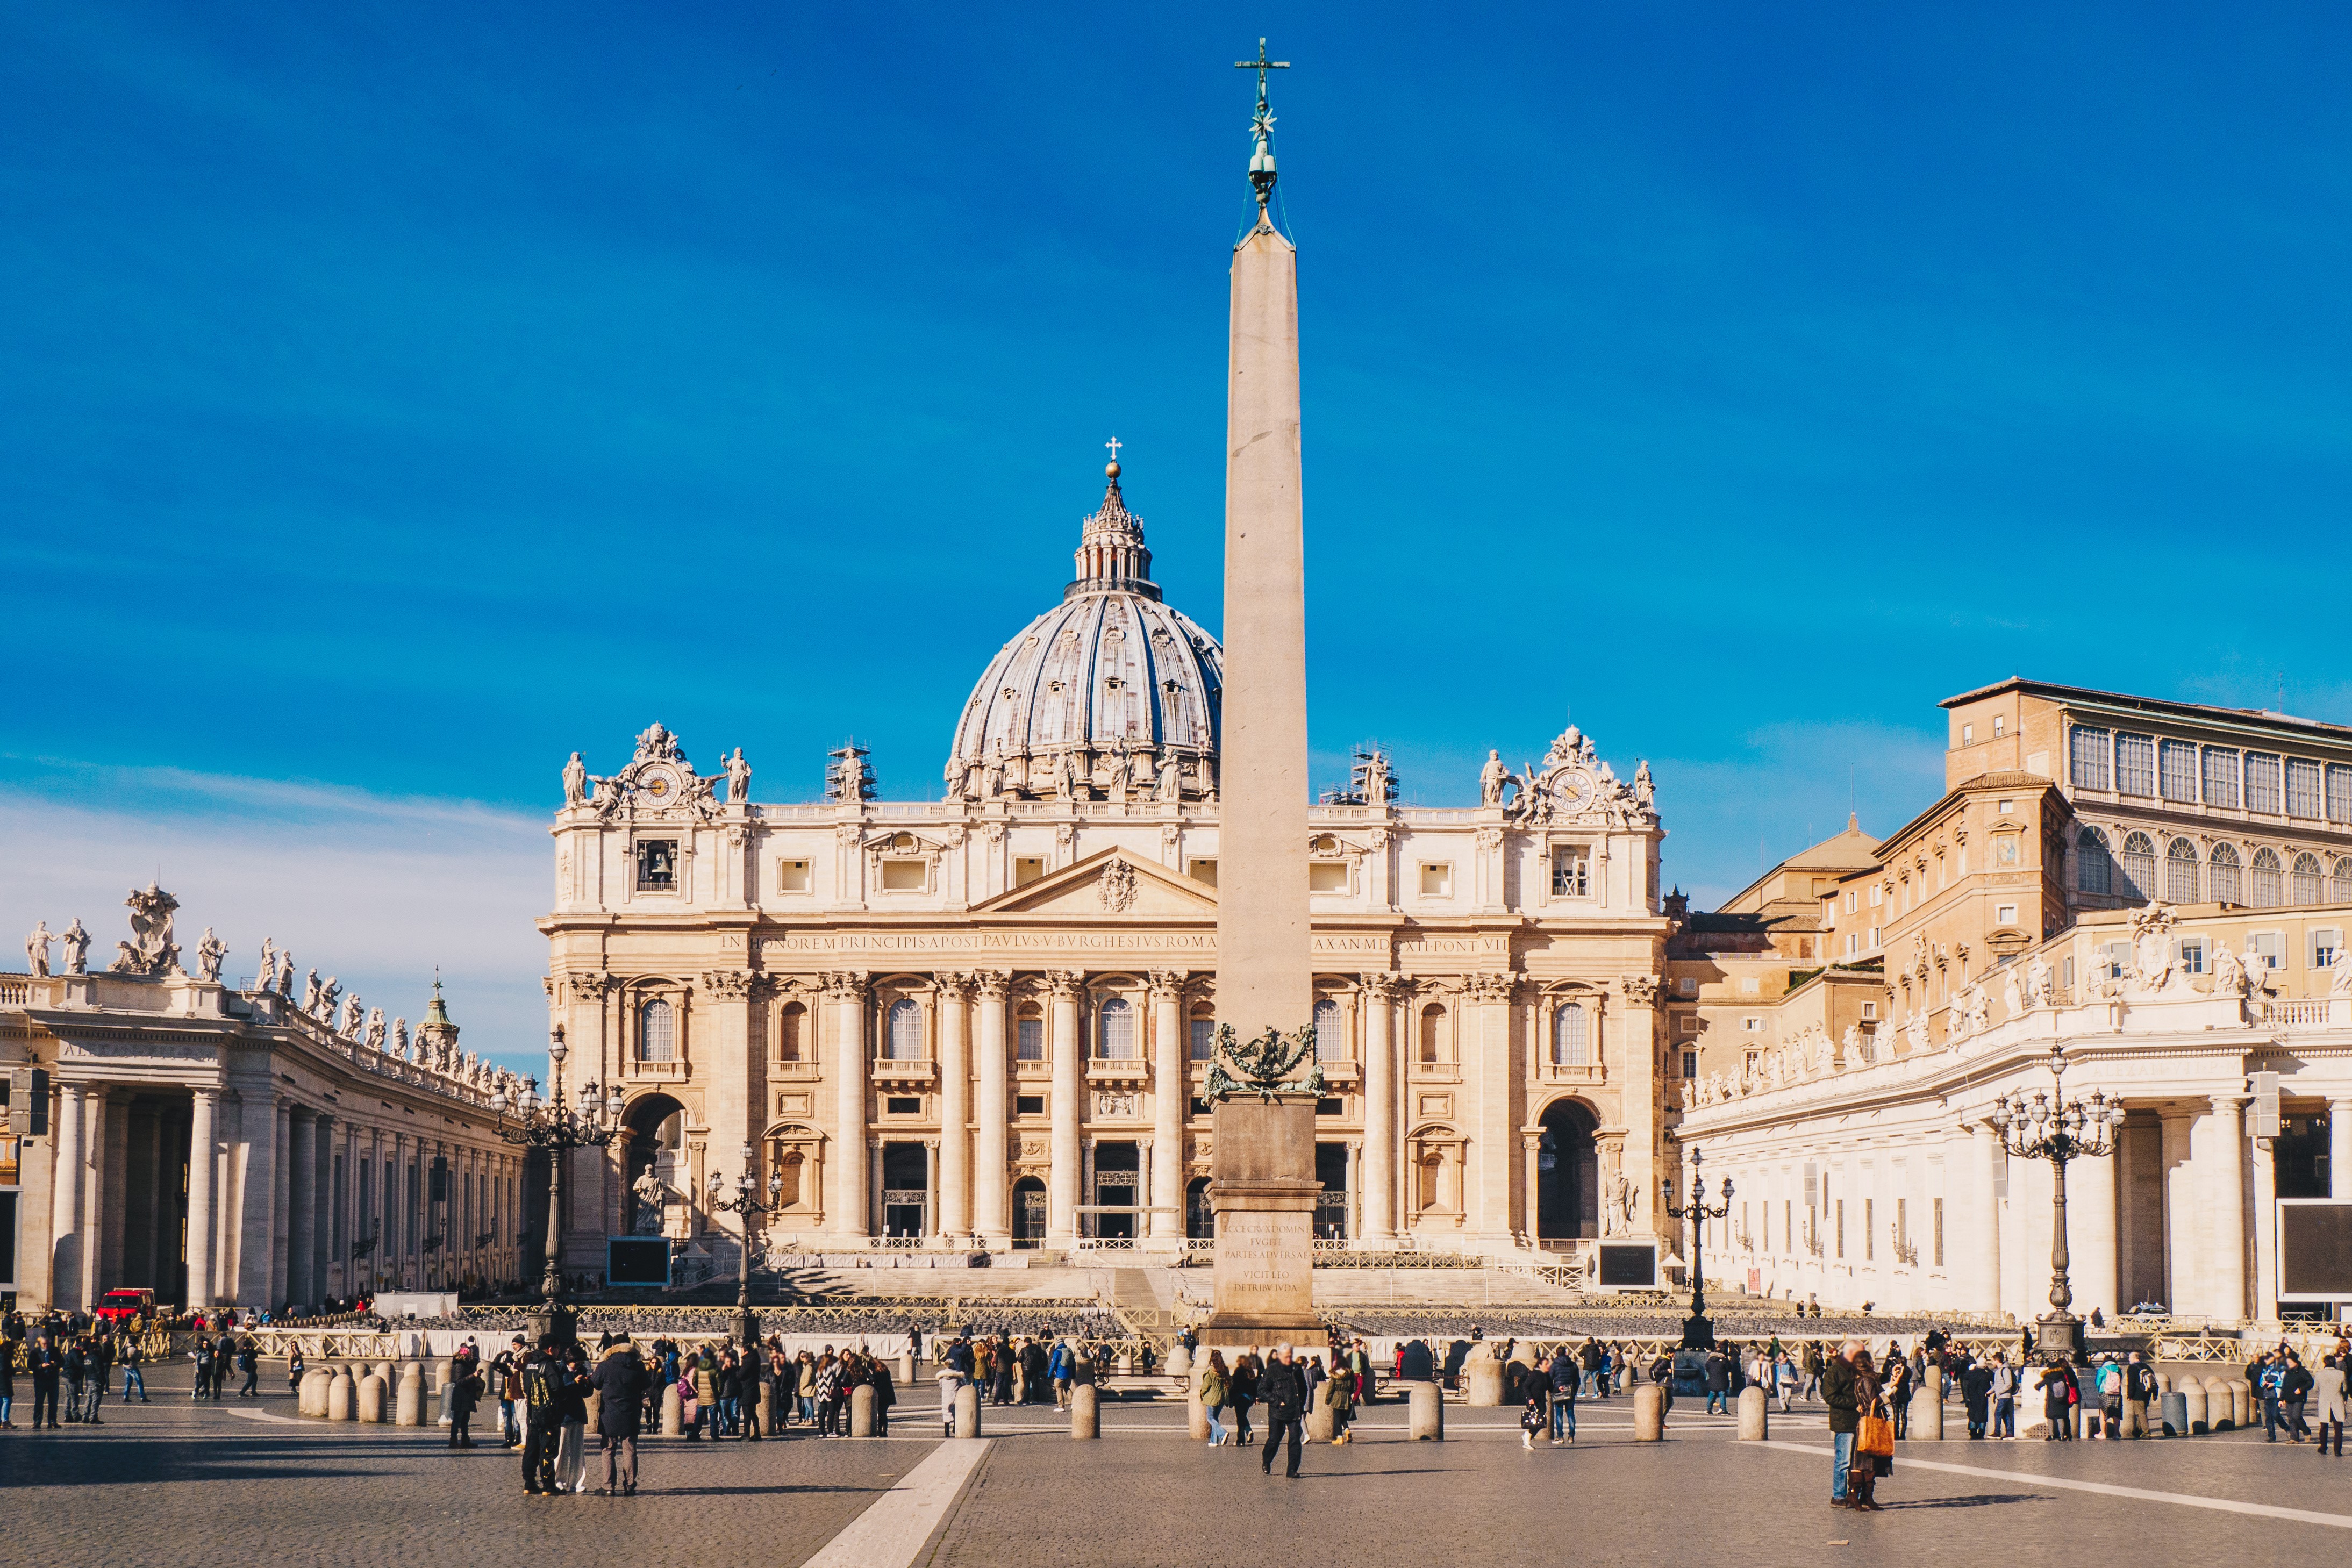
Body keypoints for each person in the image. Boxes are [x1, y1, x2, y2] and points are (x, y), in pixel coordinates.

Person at [595, 1334, 648, 1495]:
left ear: (613, 1346)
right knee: (630, 1450)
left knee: (608, 1450)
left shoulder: (605, 1365)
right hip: (631, 1412)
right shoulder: (638, 1366)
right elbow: (647, 1384)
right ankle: (630, 1486)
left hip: (609, 1412)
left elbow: (595, 1384)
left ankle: (608, 1486)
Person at [1822, 1338, 1862, 1508]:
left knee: (1856, 1463)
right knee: (1843, 1461)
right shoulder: (1835, 1372)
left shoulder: (1857, 1370)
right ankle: (1838, 1496)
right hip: (1843, 1422)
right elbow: (1830, 1397)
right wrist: (1855, 1403)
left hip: (1858, 1422)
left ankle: (1853, 1495)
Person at [1259, 1345, 1307, 1479]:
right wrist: (1277, 1402)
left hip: (1295, 1411)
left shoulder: (1296, 1368)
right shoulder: (1272, 1370)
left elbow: (1304, 1387)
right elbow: (1262, 1390)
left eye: (1290, 1355)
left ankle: (1292, 1469)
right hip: (1278, 1412)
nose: (1288, 1358)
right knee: (1274, 1439)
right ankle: (1267, 1460)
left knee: (1295, 1441)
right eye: (1286, 1356)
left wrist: (1301, 1403)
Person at [1848, 1348, 1888, 1512]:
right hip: (1868, 1420)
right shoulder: (1865, 1380)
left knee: (1871, 1459)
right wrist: (1890, 1392)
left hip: (1870, 1418)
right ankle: (1854, 1494)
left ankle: (1867, 1496)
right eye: (1871, 1361)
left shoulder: (1867, 1378)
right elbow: (1873, 1401)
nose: (1874, 1363)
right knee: (1863, 1458)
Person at [520, 1346, 560, 1495]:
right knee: (548, 1449)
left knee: (531, 1449)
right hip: (548, 1414)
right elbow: (557, 1388)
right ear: (551, 1349)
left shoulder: (530, 1364)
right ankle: (548, 1485)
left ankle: (529, 1483)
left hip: (532, 1412)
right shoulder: (549, 1365)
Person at [2313, 1352, 2346, 1459]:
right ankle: (2337, 1450)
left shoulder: (2319, 1374)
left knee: (2324, 1426)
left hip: (2324, 1402)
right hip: (2337, 1401)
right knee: (2338, 1428)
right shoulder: (2341, 1374)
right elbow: (2345, 1389)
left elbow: (2315, 1389)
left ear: (2325, 1363)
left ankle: (2323, 1447)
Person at [2035, 1357, 2077, 1441]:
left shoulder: (2047, 1378)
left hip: (2051, 1401)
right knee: (2060, 1417)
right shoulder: (2063, 1376)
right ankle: (2062, 1436)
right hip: (2062, 1400)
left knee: (2050, 1418)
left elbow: (2037, 1386)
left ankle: (2051, 1435)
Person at [2279, 1352, 2314, 1444]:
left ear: (2295, 1362)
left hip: (2299, 1398)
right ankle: (2294, 1438)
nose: (2289, 1364)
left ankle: (2307, 1432)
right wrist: (2281, 1399)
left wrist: (2301, 1389)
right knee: (2290, 1418)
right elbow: (2284, 1386)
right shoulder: (2288, 1372)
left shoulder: (2302, 1371)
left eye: (2290, 1362)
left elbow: (2310, 1382)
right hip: (2289, 1398)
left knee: (2296, 1416)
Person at [448, 1357, 483, 1448]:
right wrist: (473, 1376)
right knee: (457, 1419)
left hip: (468, 1396)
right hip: (460, 1396)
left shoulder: (469, 1364)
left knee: (466, 1419)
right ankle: (453, 1441)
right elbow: (459, 1381)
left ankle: (465, 1440)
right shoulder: (460, 1365)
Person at [1547, 1345, 1577, 1444]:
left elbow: (1550, 1379)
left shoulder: (1554, 1365)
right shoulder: (1573, 1364)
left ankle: (1560, 1436)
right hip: (1570, 1391)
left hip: (1558, 1390)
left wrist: (1553, 1390)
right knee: (1570, 1414)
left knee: (1559, 1415)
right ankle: (1571, 1436)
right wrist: (1574, 1391)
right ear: (1566, 1353)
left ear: (1557, 1354)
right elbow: (1577, 1380)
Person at [1960, 1355, 1994, 1440]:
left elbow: (1965, 1378)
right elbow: (1993, 1378)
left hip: (1973, 1397)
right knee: (1983, 1416)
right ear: (1985, 1365)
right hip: (1983, 1397)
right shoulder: (1986, 1374)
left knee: (1972, 1415)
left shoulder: (1971, 1373)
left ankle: (1973, 1432)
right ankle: (1981, 1432)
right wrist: (1987, 1369)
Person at [1200, 1351, 1232, 1446]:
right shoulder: (1225, 1370)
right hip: (1222, 1397)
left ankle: (1222, 1433)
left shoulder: (1211, 1372)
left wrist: (1202, 1393)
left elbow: (1206, 1386)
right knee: (1215, 1418)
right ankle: (1214, 1441)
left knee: (1210, 1418)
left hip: (1212, 1398)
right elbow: (1231, 1382)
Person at [120, 1333, 148, 1403]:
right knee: (139, 1382)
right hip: (132, 1367)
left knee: (129, 1382)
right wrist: (141, 1351)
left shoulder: (126, 1346)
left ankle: (126, 1396)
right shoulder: (133, 1350)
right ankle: (143, 1397)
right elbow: (138, 1358)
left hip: (125, 1366)